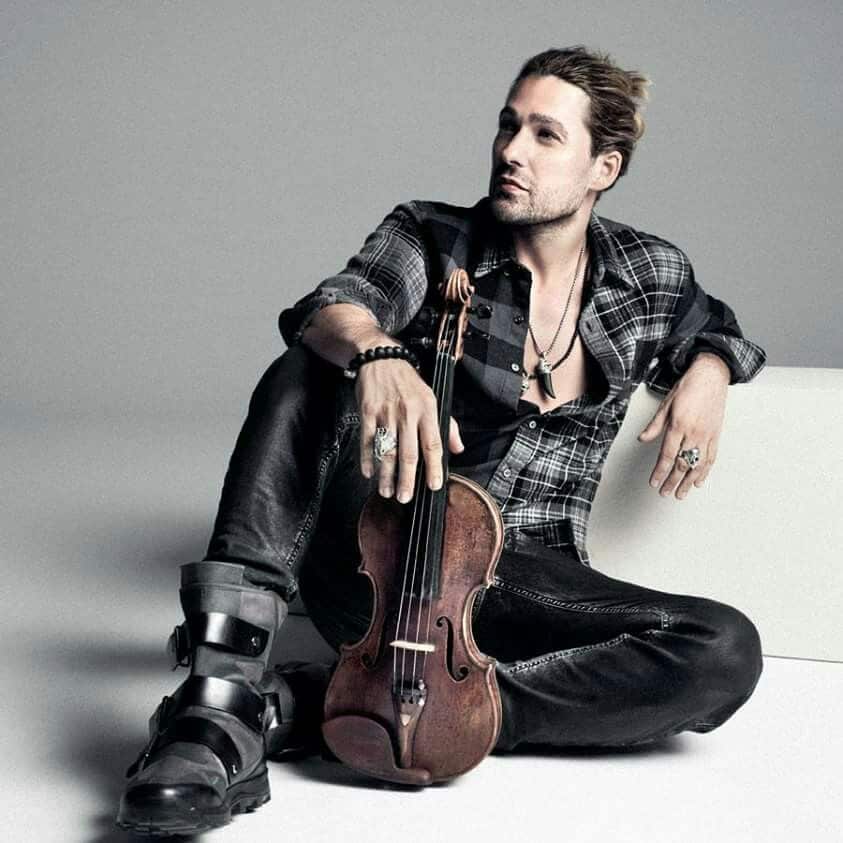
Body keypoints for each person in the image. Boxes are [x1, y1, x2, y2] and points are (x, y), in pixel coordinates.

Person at [117, 45, 768, 835]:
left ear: (603, 167)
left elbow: (718, 326)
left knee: (722, 647)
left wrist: (709, 366)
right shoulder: (432, 236)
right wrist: (378, 353)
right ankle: (218, 705)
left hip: (517, 582)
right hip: (387, 555)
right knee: (308, 369)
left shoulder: (649, 274)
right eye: (507, 125)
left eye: (544, 135)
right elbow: (333, 304)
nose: (511, 151)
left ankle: (380, 707)